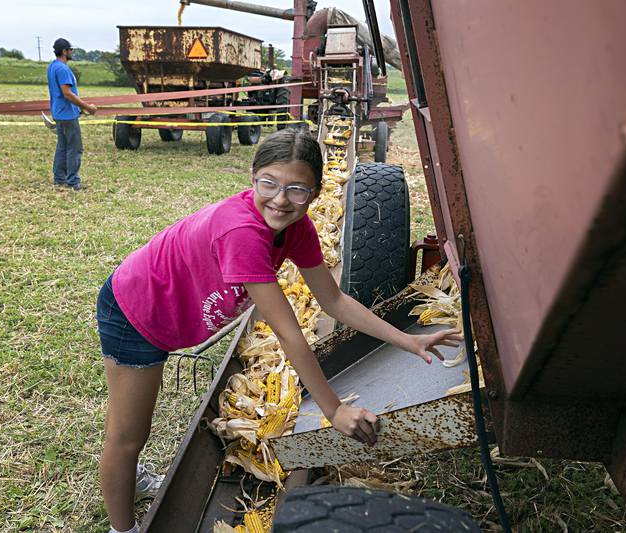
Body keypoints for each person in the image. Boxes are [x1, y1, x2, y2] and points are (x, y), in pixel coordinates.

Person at [95, 129, 463, 533]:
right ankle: (123, 528)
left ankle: (131, 476)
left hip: (168, 314)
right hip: (136, 312)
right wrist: (334, 409)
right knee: (128, 435)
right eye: (268, 183)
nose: (280, 199)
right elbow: (288, 333)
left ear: (316, 192)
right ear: (252, 177)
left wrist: (406, 339)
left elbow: (333, 301)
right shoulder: (243, 233)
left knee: (132, 430)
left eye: (297, 189)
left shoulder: (297, 229)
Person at [47, 38, 97, 191]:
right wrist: (87, 107)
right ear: (64, 51)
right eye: (70, 50)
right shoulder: (63, 69)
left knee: (62, 147)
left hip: (58, 113)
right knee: (75, 148)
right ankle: (73, 181)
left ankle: (59, 178)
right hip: (67, 115)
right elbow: (67, 93)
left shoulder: (52, 67)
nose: (72, 52)